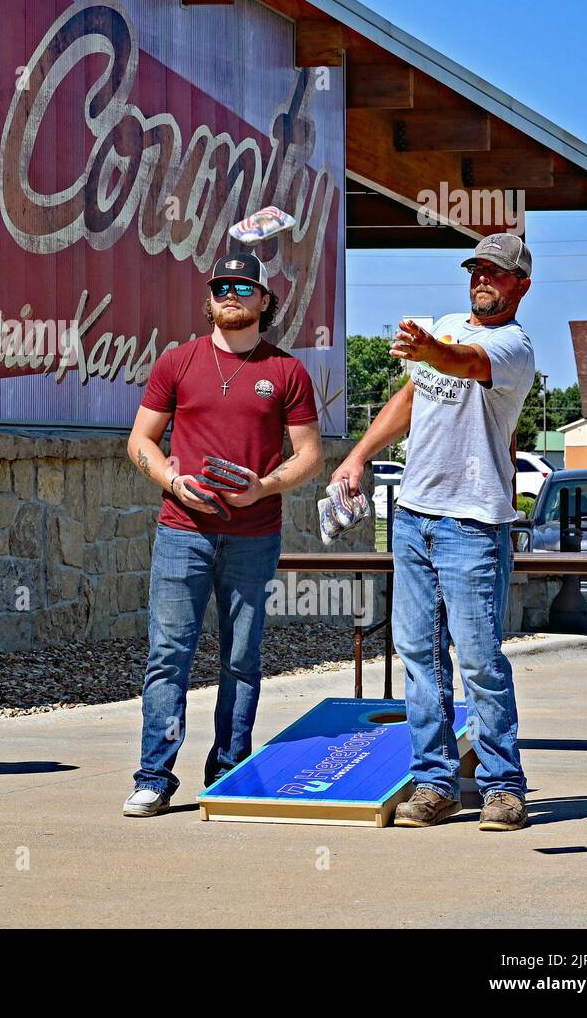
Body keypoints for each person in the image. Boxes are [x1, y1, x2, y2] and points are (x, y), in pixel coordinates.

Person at [331, 234, 536, 830]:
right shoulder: (448, 324)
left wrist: (428, 350)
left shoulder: (513, 347)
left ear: (521, 284)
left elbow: (463, 365)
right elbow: (412, 396)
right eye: (476, 270)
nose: (482, 280)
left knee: (478, 658)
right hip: (414, 516)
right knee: (419, 654)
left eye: (496, 273)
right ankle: (434, 783)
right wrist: (359, 455)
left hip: (473, 521)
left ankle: (502, 787)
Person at [122, 250, 323, 817]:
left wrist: (262, 487)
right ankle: (154, 777)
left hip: (255, 535)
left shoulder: (287, 371)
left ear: (265, 300)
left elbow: (309, 456)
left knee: (242, 657)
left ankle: (230, 769)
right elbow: (140, 441)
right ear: (209, 300)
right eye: (220, 287)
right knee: (168, 655)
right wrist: (170, 477)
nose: (230, 295)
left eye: (242, 286)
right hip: (182, 531)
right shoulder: (177, 363)